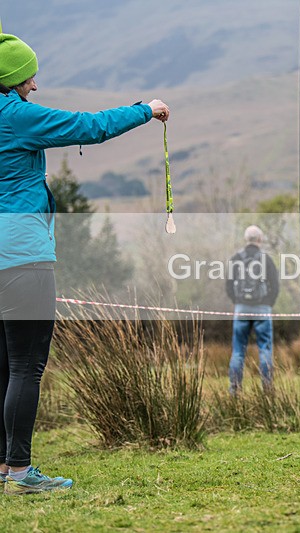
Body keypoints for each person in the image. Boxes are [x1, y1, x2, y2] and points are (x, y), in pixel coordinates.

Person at [0, 24, 170, 494]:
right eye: (28, 77)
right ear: (12, 79)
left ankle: (2, 468)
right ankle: (19, 471)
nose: (34, 84)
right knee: (25, 366)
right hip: (22, 256)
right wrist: (145, 109)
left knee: (3, 364)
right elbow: (86, 127)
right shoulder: (15, 116)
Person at [225, 225, 280, 394]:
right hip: (262, 309)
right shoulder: (266, 259)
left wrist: (237, 301)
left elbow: (228, 285)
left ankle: (234, 389)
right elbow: (275, 286)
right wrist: (267, 304)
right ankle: (267, 389)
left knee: (238, 351)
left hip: (241, 309)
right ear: (260, 240)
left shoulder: (236, 258)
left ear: (246, 239)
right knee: (264, 349)